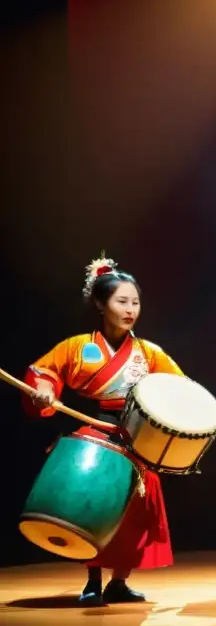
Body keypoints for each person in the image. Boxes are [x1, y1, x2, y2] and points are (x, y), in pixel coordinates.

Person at [24, 255, 182, 605]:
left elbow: (180, 388)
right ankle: (93, 578)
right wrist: (45, 390)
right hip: (93, 434)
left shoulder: (148, 352)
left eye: (135, 302)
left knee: (132, 514)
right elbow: (44, 371)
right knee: (92, 505)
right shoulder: (78, 347)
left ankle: (120, 581)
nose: (130, 310)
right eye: (121, 301)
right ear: (100, 303)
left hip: (134, 437)